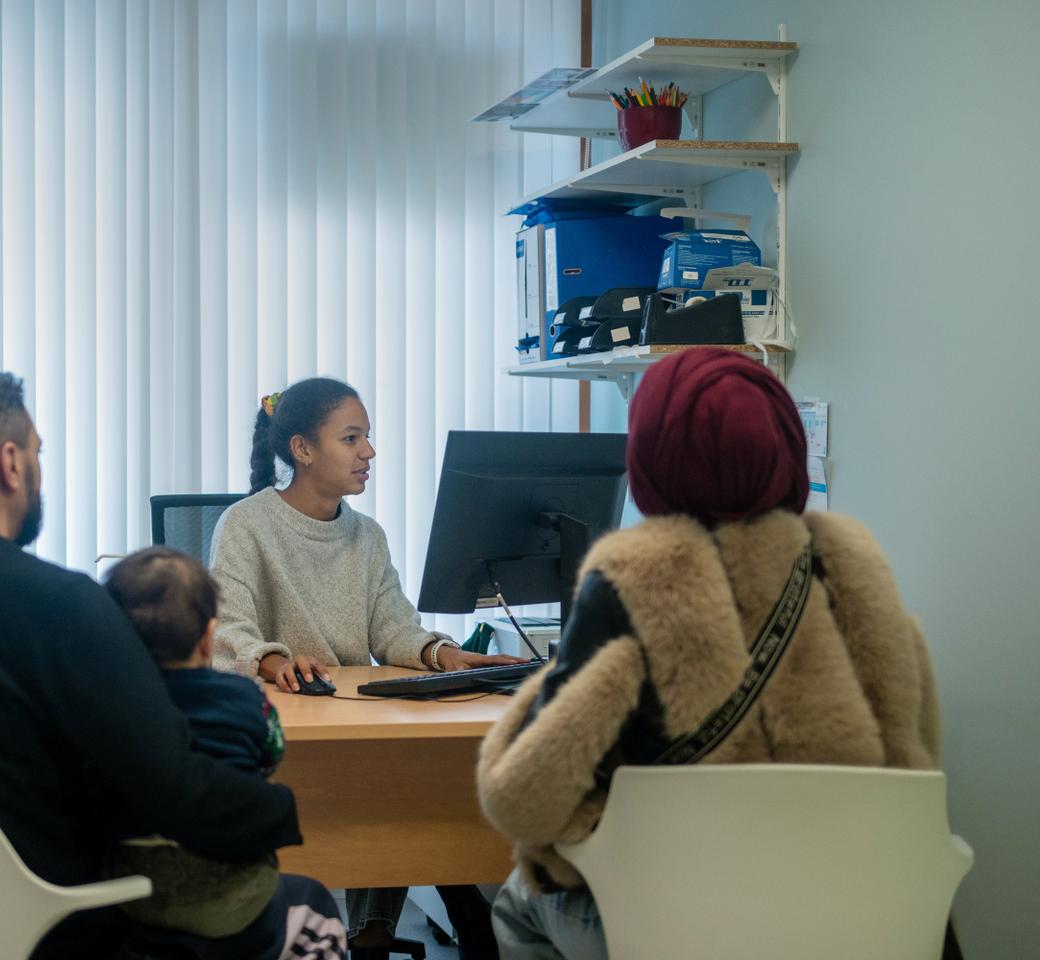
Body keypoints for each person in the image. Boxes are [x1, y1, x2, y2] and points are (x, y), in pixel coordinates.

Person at [0, 368, 345, 960]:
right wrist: (295, 809)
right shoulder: (63, 606)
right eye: (39, 453)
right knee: (309, 901)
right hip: (61, 924)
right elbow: (177, 793)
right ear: (10, 464)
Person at [475, 349, 941, 960]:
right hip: (852, 919)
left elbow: (523, 803)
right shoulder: (858, 572)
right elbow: (917, 770)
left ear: (651, 454)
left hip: (679, 925)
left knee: (516, 902)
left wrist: (545, 689)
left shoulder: (633, 578)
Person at [208, 376, 524, 960]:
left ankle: (372, 936)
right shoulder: (245, 525)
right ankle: (370, 932)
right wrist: (276, 658)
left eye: (368, 438)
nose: (369, 453)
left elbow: (392, 628)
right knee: (380, 791)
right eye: (351, 438)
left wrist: (442, 654)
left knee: (409, 786)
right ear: (302, 449)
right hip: (284, 736)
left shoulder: (367, 537)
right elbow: (227, 631)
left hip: (357, 724)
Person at [103, 546, 288, 939]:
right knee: (317, 911)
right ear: (209, 637)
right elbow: (271, 755)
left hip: (128, 893)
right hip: (237, 898)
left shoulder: (109, 702)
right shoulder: (246, 697)